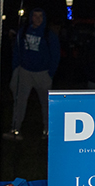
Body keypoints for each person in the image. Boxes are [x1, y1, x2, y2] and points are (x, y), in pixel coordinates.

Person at [4, 8, 60, 141]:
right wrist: (16, 68)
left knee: (46, 104)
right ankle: (15, 130)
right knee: (19, 102)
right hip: (25, 72)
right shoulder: (23, 31)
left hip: (42, 74)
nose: (38, 19)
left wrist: (50, 73)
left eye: (41, 16)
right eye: (35, 16)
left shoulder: (49, 34)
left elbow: (55, 55)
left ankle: (48, 131)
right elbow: (17, 51)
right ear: (31, 17)